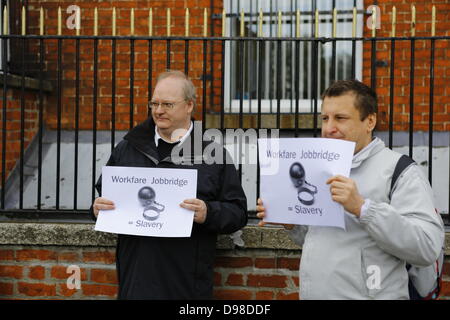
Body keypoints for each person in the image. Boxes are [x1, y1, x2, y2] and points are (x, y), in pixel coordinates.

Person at [256, 79, 444, 299]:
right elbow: (324, 238)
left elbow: (427, 247)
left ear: (370, 121)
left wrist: (363, 208)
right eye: (325, 118)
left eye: (341, 118)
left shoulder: (400, 170)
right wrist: (292, 224)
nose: (329, 128)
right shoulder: (319, 168)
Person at [91, 70, 248, 299]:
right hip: (136, 281)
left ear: (189, 106)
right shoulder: (128, 147)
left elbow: (238, 212)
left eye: (167, 104)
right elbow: (103, 198)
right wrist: (97, 209)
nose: (158, 110)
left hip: (186, 284)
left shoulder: (212, 154)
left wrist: (208, 212)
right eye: (154, 103)